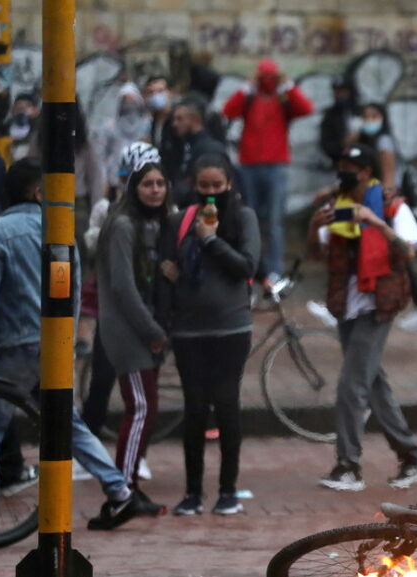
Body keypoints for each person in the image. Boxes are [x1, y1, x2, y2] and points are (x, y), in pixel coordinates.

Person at [0, 158, 160, 531]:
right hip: (52, 343)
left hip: (12, 345)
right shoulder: (61, 230)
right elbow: (73, 290)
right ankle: (119, 490)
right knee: (68, 422)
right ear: (39, 192)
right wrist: (68, 337)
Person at [309, 144, 417, 492]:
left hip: (378, 305)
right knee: (373, 382)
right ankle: (412, 456)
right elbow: (318, 253)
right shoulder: (335, 208)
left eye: (350, 166)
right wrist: (313, 226)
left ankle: (348, 466)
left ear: (365, 172)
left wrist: (376, 222)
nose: (343, 171)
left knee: (351, 386)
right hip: (346, 305)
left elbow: (408, 251)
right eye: (341, 164)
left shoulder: (391, 205)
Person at [160, 153, 260, 516]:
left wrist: (212, 241)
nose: (211, 194)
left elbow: (247, 265)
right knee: (195, 410)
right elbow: (167, 267)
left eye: (217, 186)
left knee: (227, 406)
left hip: (231, 328)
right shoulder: (180, 219)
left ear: (229, 184)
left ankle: (228, 490)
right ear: (193, 186)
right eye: (204, 187)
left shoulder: (243, 217)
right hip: (189, 330)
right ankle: (192, 493)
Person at [96, 161, 173, 494]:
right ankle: (123, 489)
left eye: (160, 183)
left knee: (146, 406)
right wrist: (153, 332)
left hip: (146, 326)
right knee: (141, 407)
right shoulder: (124, 225)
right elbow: (123, 288)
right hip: (129, 329)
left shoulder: (154, 224)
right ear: (134, 189)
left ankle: (130, 483)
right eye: (147, 184)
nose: (155, 190)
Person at [222, 58, 314, 280]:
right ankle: (252, 266)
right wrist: (246, 88)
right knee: (249, 220)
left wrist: (288, 86)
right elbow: (228, 111)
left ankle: (274, 270)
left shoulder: (283, 101)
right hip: (249, 167)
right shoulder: (250, 98)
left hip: (275, 167)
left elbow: (306, 108)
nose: (267, 82)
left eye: (270, 78)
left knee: (274, 222)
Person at [168, 98, 227, 207]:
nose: (174, 124)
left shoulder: (209, 149)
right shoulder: (186, 145)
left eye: (179, 119)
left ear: (195, 120)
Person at [356, 103, 403, 195]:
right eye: (365, 116)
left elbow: (388, 177)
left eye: (374, 116)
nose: (369, 120)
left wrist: (387, 195)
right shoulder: (363, 141)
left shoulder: (384, 141)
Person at [319, 78, 360, 163]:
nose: (340, 95)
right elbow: (327, 145)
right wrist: (342, 144)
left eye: (343, 91)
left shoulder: (362, 111)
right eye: (336, 91)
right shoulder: (330, 115)